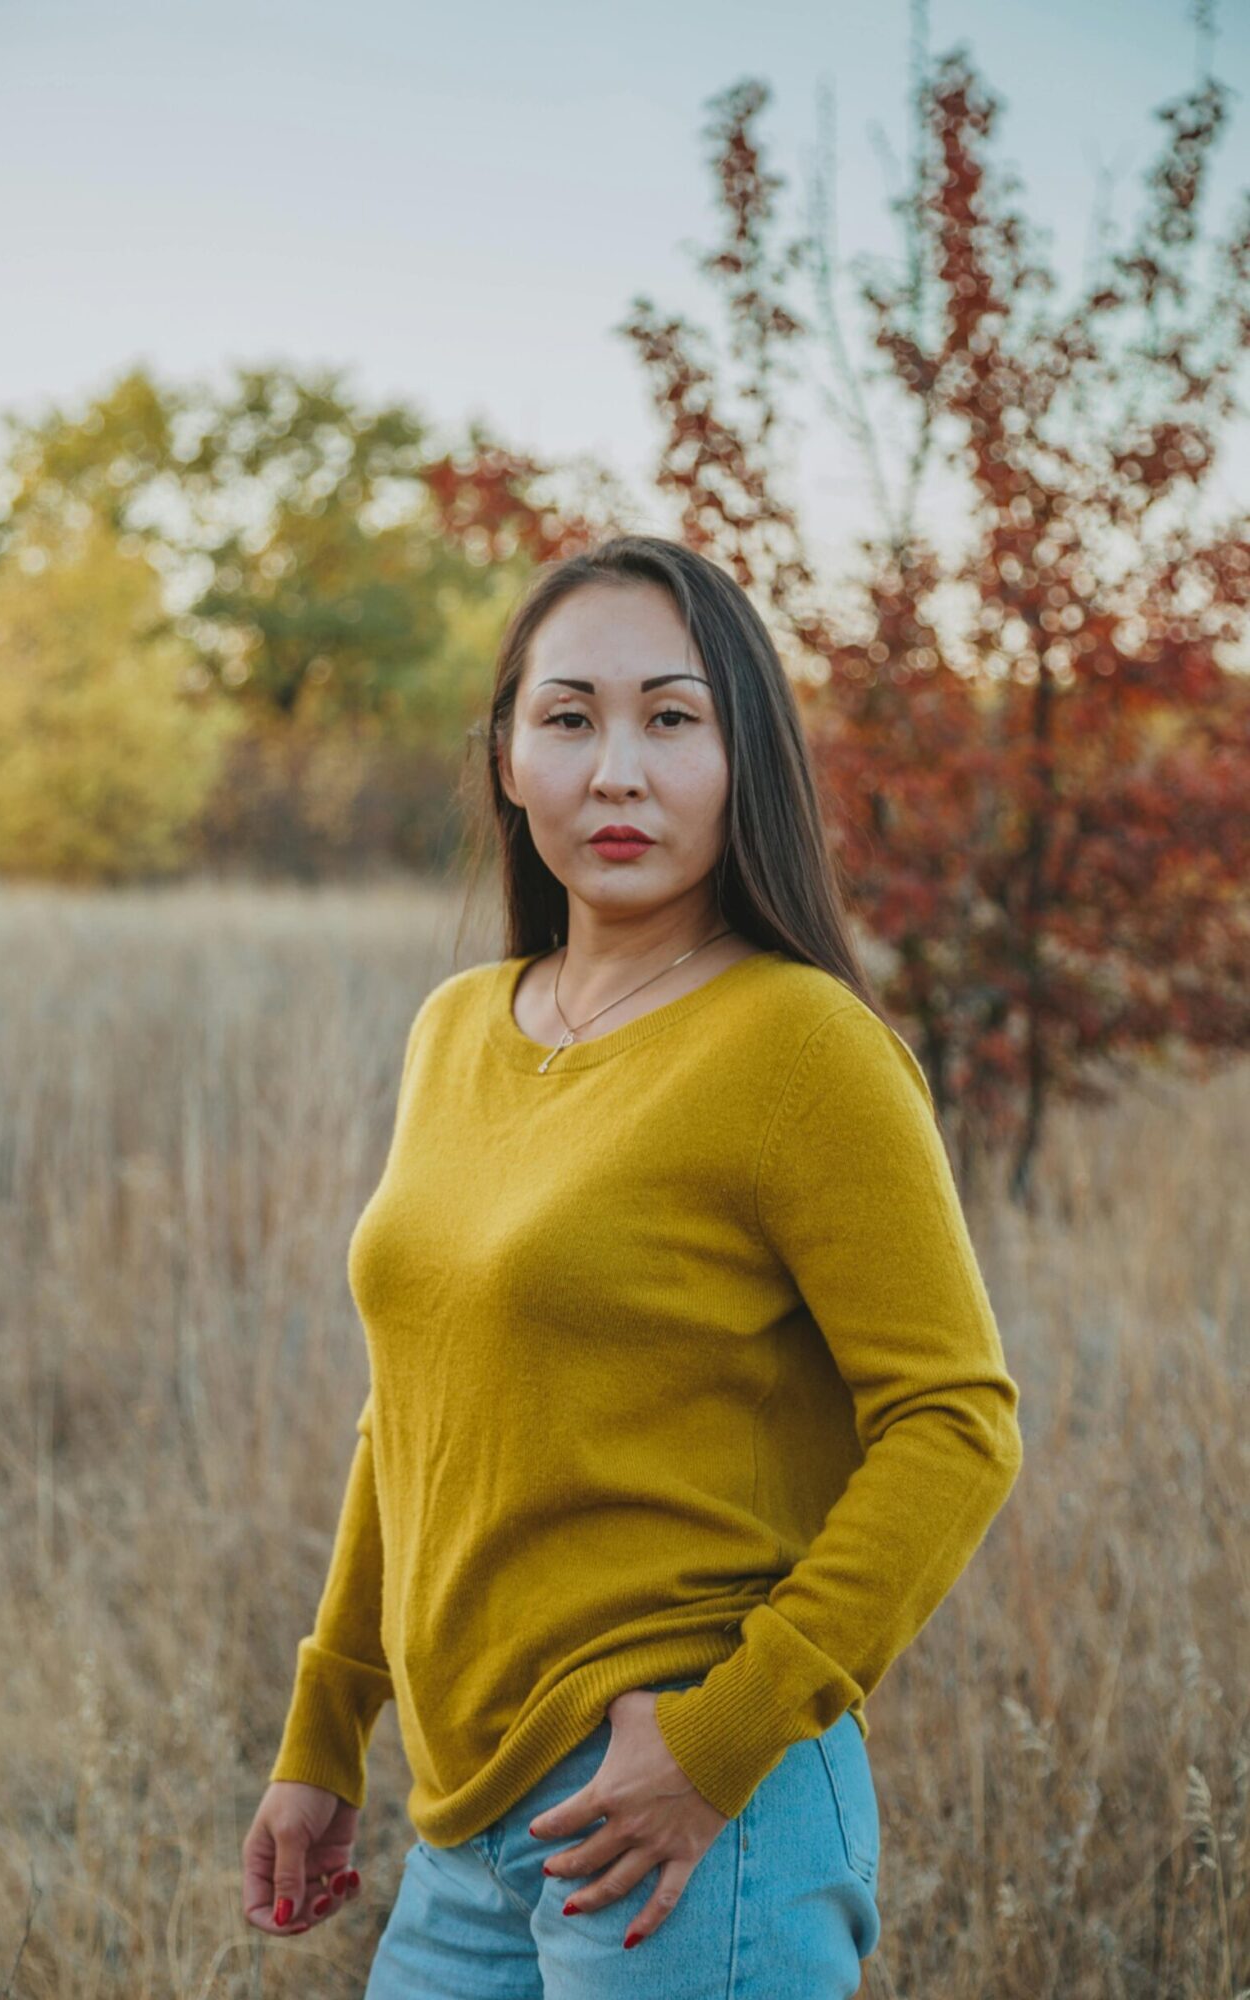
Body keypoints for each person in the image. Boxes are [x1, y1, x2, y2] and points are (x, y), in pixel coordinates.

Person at [241, 534, 1024, 1997]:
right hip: (466, 1825)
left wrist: (723, 1740)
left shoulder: (804, 1048)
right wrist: (325, 1727)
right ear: (505, 759)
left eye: (672, 718)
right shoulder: (460, 1028)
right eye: (569, 718)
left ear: (745, 760)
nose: (617, 771)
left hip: (693, 1823)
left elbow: (958, 1424)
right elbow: (412, 1414)